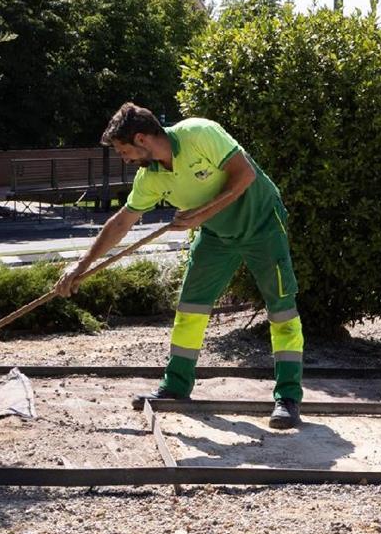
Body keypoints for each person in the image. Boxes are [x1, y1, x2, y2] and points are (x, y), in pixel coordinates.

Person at [53, 103, 304, 429]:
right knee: (190, 308)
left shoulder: (200, 133)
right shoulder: (150, 178)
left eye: (124, 149)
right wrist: (81, 267)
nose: (124, 158)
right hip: (216, 235)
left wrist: (199, 214)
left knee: (281, 310)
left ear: (142, 138)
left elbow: (246, 175)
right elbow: (121, 223)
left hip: (262, 226)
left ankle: (288, 398)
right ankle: (176, 388)